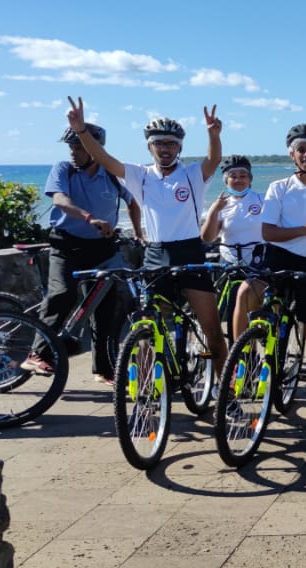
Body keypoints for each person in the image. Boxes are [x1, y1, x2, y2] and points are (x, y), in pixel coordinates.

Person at [61, 97, 228, 385]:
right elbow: (104, 159)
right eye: (159, 143)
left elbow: (213, 161)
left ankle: (226, 393)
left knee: (211, 327)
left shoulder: (191, 175)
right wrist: (81, 132)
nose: (165, 148)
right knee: (148, 326)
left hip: (190, 251)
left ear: (180, 147)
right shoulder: (140, 175)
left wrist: (214, 136)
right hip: (155, 254)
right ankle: (150, 390)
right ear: (149, 146)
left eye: (171, 143)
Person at [236, 124, 306, 426]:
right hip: (281, 260)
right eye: (301, 149)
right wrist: (305, 230)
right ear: (292, 153)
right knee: (249, 297)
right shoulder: (279, 187)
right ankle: (244, 363)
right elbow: (267, 232)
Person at [20, 123, 144, 380]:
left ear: (95, 149)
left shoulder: (111, 174)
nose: (73, 152)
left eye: (79, 147)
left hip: (102, 249)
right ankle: (36, 354)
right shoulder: (63, 169)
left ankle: (103, 369)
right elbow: (59, 200)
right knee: (63, 294)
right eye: (71, 146)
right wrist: (90, 218)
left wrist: (139, 233)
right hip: (66, 245)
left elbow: (133, 203)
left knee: (105, 308)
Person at [201, 154, 266, 270]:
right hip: (228, 262)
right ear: (226, 181)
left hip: (258, 261)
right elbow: (208, 238)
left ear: (250, 179)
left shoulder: (263, 199)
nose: (238, 180)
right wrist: (214, 211)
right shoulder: (220, 204)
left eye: (243, 176)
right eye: (233, 176)